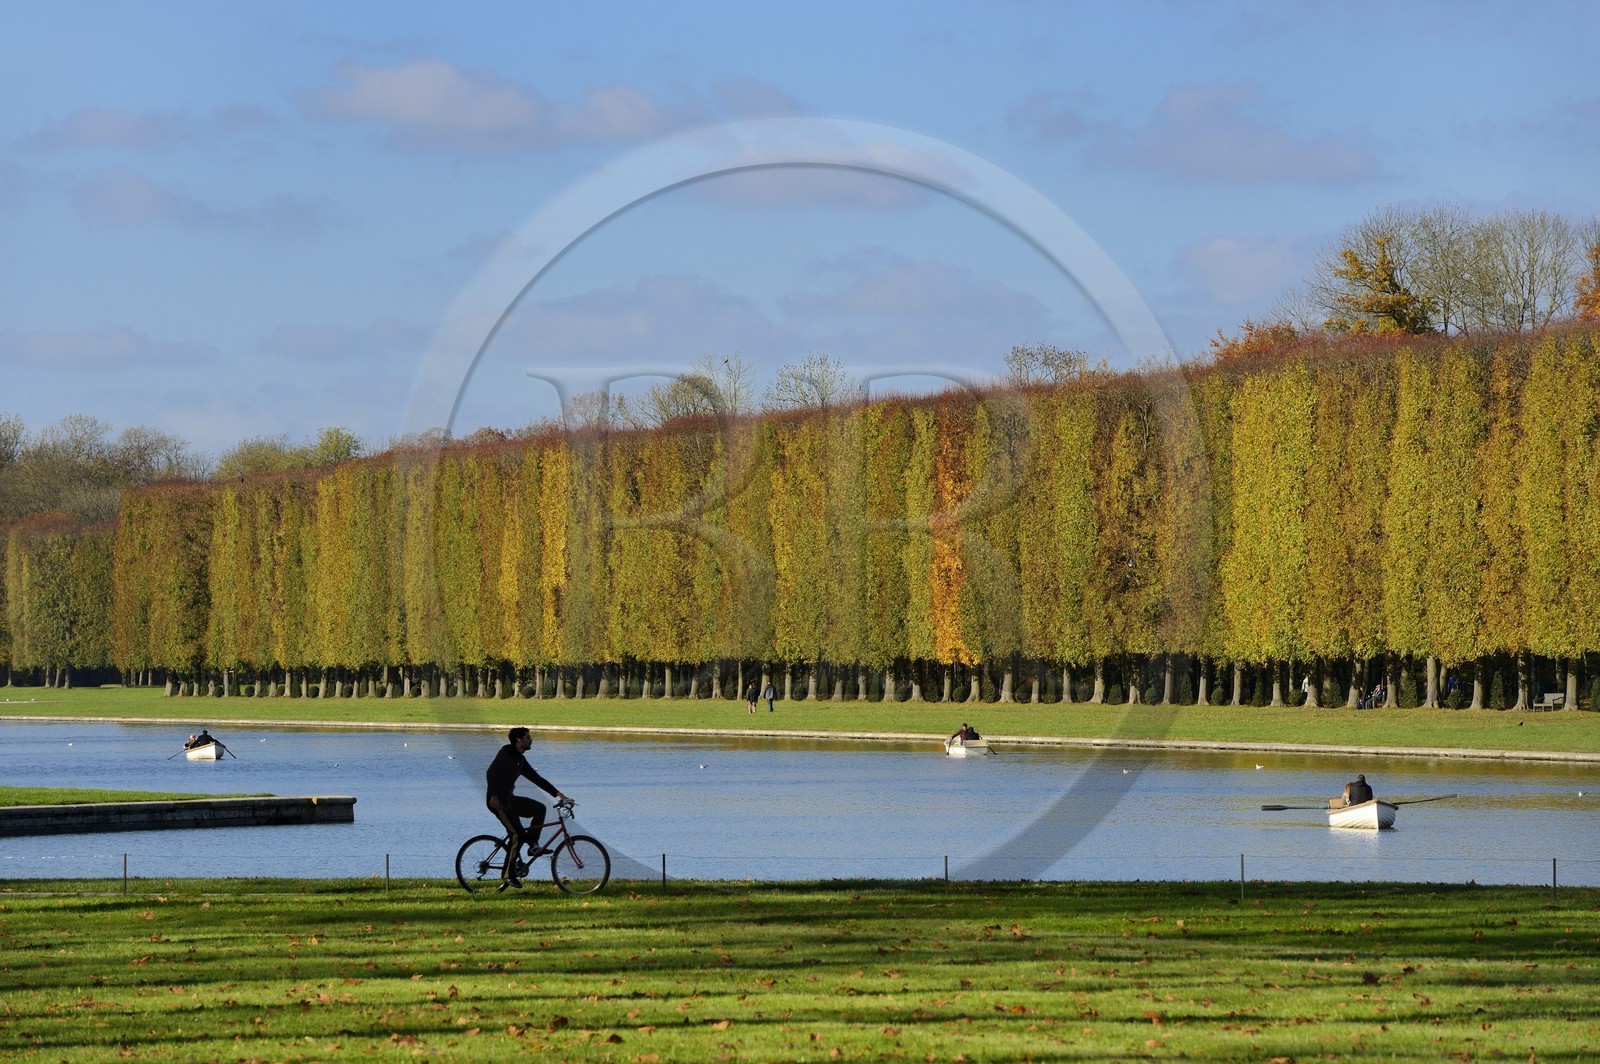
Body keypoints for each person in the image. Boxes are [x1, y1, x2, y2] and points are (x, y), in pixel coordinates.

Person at [485, 726, 567, 888]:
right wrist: (494, 794)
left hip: (510, 801)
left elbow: (537, 779)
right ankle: (508, 874)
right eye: (528, 737)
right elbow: (491, 773)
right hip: (497, 803)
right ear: (519, 740)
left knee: (539, 808)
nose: (531, 740)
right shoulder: (507, 752)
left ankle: (533, 846)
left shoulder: (520, 760)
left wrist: (559, 794)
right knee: (517, 835)